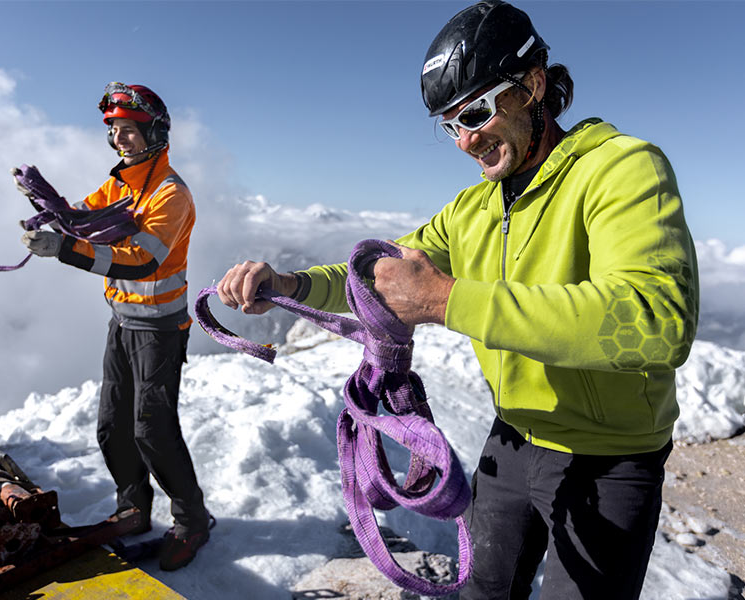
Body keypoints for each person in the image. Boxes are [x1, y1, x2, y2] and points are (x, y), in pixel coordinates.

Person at [215, 2, 699, 598]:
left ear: (533, 86)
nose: (466, 140)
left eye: (476, 111)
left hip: (609, 457)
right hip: (514, 439)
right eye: (450, 124)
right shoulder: (473, 210)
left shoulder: (621, 170)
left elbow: (654, 321)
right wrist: (289, 284)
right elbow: (381, 276)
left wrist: (446, 301)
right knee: (479, 593)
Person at [20, 82, 212, 571]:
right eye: (115, 131)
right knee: (112, 427)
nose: (120, 139)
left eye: (128, 130)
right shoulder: (123, 185)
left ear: (154, 133)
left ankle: (192, 521)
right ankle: (133, 508)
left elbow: (141, 261)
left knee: (152, 431)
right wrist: (53, 213)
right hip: (124, 323)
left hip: (160, 332)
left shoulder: (171, 193)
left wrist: (63, 249)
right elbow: (83, 216)